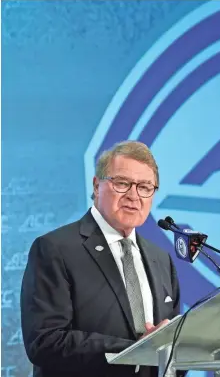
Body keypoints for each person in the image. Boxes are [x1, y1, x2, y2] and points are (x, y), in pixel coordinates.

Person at [21, 141, 181, 377]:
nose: (133, 195)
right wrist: (134, 351)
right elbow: (45, 341)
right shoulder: (55, 249)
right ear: (97, 186)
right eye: (122, 183)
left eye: (145, 187)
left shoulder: (162, 260)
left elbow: (172, 344)